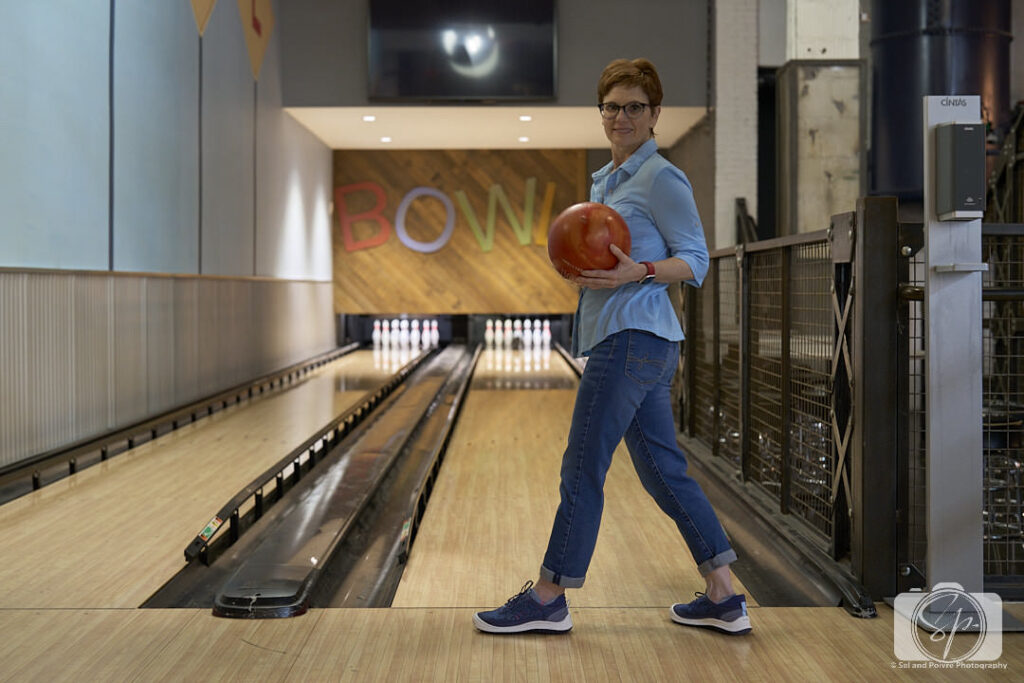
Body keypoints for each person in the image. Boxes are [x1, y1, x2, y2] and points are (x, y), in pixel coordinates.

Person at [473, 58, 751, 636]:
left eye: (633, 108)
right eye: (611, 107)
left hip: (632, 338)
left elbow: (696, 260)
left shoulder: (662, 178)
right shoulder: (607, 180)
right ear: (600, 113)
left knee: (582, 467)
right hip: (633, 341)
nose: (621, 117)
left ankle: (549, 597)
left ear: (654, 116)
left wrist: (638, 272)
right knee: (664, 474)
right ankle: (724, 593)